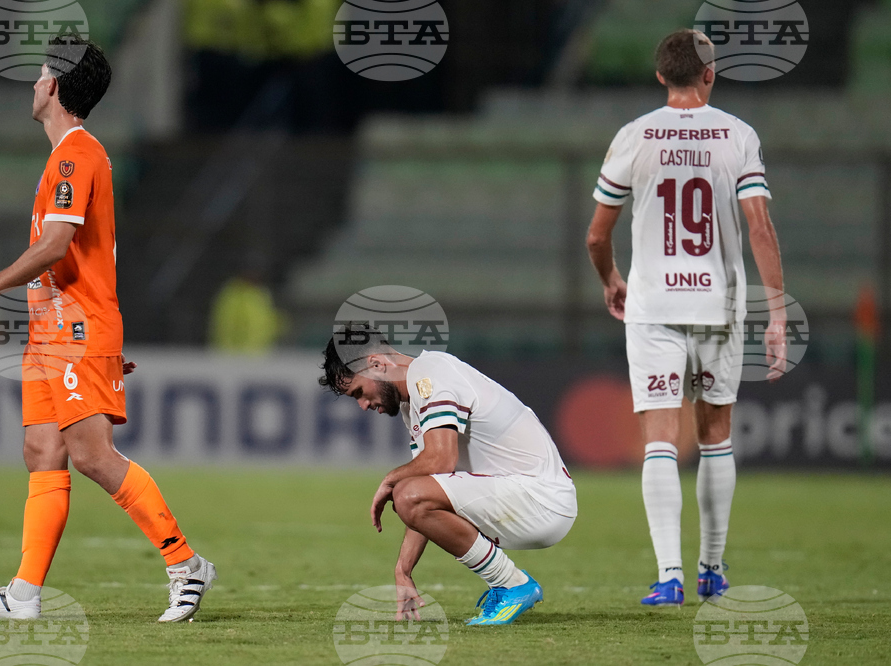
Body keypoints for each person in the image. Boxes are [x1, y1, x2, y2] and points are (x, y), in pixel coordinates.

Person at [0, 36, 216, 622]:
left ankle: (184, 563)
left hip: (74, 329)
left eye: (41, 75)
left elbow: (55, 246)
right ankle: (23, 596)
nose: (35, 83)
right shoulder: (64, 158)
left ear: (56, 88)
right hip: (54, 331)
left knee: (93, 457)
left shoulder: (75, 154)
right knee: (41, 450)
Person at [586, 29, 787, 606]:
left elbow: (597, 235)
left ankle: (669, 575)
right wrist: (776, 314)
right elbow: (760, 228)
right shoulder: (737, 135)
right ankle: (711, 569)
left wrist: (611, 281)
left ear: (659, 77)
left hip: (654, 309)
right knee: (715, 435)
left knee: (658, 442)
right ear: (710, 74)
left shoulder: (635, 137)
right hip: (718, 307)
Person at [319, 327, 577, 625]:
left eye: (359, 393)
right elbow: (427, 488)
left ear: (377, 364)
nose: (364, 405)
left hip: (539, 497)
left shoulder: (430, 374)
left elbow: (441, 460)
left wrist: (390, 479)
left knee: (406, 492)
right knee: (410, 492)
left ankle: (512, 584)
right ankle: (509, 583)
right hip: (530, 495)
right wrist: (402, 571)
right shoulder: (413, 400)